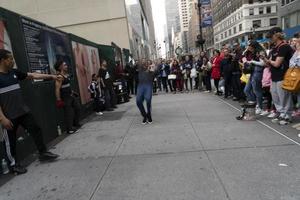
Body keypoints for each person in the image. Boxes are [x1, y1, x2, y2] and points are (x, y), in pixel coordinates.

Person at [0, 49, 59, 175]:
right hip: (8, 116)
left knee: (36, 129)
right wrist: (2, 119)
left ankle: (43, 153)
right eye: (10, 58)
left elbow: (32, 75)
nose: (13, 61)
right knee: (9, 142)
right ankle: (13, 165)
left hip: (23, 112)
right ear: (3, 60)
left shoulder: (14, 73)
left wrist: (51, 76)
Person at [264, 27, 294, 125]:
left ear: (277, 35)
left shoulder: (284, 46)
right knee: (275, 95)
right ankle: (281, 113)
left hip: (283, 75)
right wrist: (265, 60)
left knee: (284, 96)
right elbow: (270, 64)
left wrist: (268, 61)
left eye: (271, 36)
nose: (270, 39)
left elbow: (277, 64)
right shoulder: (274, 48)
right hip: (274, 75)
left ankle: (288, 115)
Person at [55, 60, 81, 134]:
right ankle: (69, 129)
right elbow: (57, 89)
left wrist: (73, 92)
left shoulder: (66, 75)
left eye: (66, 65)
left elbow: (66, 86)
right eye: (65, 65)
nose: (66, 66)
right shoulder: (60, 77)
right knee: (68, 113)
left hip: (71, 96)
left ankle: (75, 124)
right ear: (60, 67)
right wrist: (59, 100)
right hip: (65, 98)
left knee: (78, 108)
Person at [243, 41, 265, 115]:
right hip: (253, 72)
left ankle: (260, 107)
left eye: (250, 47)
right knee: (246, 90)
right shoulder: (253, 52)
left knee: (257, 91)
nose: (249, 49)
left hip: (258, 72)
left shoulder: (260, 52)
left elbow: (263, 63)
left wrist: (252, 62)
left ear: (254, 47)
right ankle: (253, 104)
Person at [136, 59, 154, 124]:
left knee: (148, 100)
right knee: (138, 101)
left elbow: (155, 74)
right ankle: (144, 115)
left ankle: (149, 115)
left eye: (145, 62)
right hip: (140, 86)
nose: (144, 63)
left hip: (148, 85)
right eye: (142, 61)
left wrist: (152, 71)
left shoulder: (151, 70)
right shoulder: (139, 70)